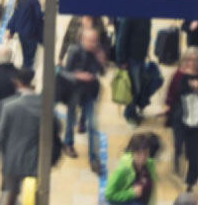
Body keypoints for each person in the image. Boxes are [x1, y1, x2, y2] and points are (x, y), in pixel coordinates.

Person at [0, 69, 43, 205]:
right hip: (34, 161)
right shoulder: (43, 105)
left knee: (8, 194)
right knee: (32, 197)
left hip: (12, 161)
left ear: (17, 83)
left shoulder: (8, 106)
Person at [62, 28, 106, 175]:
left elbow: (102, 72)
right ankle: (68, 143)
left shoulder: (96, 52)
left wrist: (101, 61)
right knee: (70, 119)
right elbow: (65, 72)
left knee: (92, 125)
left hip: (90, 92)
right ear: (82, 40)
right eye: (90, 41)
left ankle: (94, 159)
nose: (93, 44)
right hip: (74, 91)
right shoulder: (74, 51)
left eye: (95, 41)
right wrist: (78, 75)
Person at [166, 48, 198, 175]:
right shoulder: (179, 74)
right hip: (179, 114)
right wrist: (167, 105)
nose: (193, 63)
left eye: (196, 60)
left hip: (195, 116)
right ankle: (177, 162)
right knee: (178, 142)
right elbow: (171, 92)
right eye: (190, 60)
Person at [115, 18, 152, 125]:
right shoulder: (128, 17)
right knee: (132, 89)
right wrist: (121, 61)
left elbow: (146, 36)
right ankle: (129, 114)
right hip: (131, 60)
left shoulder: (147, 17)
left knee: (139, 87)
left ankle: (134, 110)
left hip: (141, 58)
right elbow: (121, 39)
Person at [105, 134, 158, 205]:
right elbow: (108, 194)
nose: (142, 157)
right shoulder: (123, 170)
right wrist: (131, 193)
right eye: (139, 153)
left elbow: (152, 190)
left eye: (145, 153)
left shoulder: (150, 164)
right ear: (132, 152)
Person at [7, 0, 43, 69]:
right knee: (29, 60)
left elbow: (15, 15)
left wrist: (11, 31)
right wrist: (42, 38)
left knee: (26, 58)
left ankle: (24, 78)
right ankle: (25, 80)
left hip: (22, 35)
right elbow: (39, 18)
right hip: (31, 35)